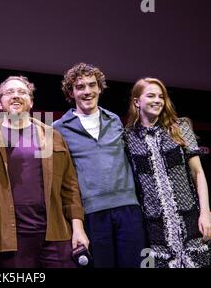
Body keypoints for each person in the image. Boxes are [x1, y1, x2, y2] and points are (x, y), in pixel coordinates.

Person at [0, 76, 89, 268]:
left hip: (55, 233)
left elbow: (70, 186)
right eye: (9, 92)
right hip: (10, 239)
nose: (16, 96)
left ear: (31, 102)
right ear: (0, 103)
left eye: (22, 92)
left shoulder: (52, 136)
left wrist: (78, 227)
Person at [53, 63, 146, 268]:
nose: (87, 91)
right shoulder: (58, 128)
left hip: (128, 208)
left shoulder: (114, 120)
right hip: (92, 213)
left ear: (99, 88)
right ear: (71, 92)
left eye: (92, 85)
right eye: (80, 87)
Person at [123, 77, 211, 268]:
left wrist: (205, 213)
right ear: (137, 101)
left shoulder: (180, 127)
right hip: (153, 228)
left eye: (161, 96)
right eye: (151, 95)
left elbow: (198, 173)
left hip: (191, 220)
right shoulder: (128, 137)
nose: (157, 100)